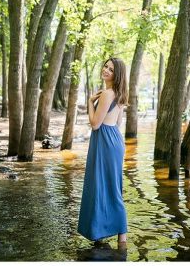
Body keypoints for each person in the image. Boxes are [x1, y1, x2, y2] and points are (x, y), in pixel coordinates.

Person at [78, 57, 129, 247]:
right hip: (114, 140)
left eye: (111, 69)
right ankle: (121, 240)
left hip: (105, 141)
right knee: (113, 188)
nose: (106, 70)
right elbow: (118, 123)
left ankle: (100, 233)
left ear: (117, 75)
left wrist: (91, 102)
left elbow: (95, 123)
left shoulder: (108, 94)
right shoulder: (120, 94)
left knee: (101, 186)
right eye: (105, 66)